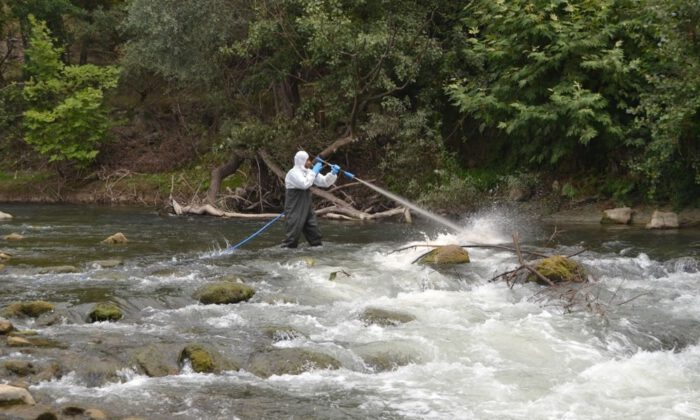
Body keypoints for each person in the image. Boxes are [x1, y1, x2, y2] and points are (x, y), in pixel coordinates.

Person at [281, 151, 340, 248]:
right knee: (292, 238)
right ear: (301, 161)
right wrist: (314, 172)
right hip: (294, 208)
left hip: (307, 208)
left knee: (315, 235)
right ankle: (287, 257)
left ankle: (318, 255)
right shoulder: (293, 173)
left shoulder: (308, 172)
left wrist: (332, 173)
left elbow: (324, 182)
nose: (310, 162)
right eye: (307, 160)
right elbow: (304, 184)